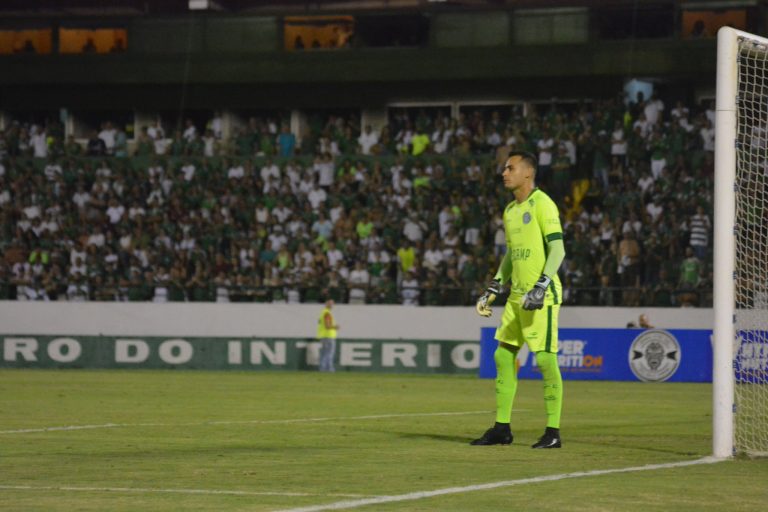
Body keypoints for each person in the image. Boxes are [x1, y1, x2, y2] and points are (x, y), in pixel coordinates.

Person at [473, 151, 566, 449]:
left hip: (542, 296)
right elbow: (512, 255)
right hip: (516, 296)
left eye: (510, 168)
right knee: (502, 355)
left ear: (528, 173)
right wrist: (494, 286)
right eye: (504, 168)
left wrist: (541, 285)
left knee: (545, 359)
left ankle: (553, 432)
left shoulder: (544, 204)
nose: (504, 172)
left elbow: (558, 250)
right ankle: (502, 428)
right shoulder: (510, 210)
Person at [317, 299, 339, 372]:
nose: (332, 305)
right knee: (329, 353)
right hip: (328, 336)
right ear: (326, 304)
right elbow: (327, 326)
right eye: (330, 304)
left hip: (323, 336)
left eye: (332, 304)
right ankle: (329, 369)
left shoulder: (323, 313)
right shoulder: (327, 313)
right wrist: (335, 327)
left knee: (324, 353)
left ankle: (322, 368)